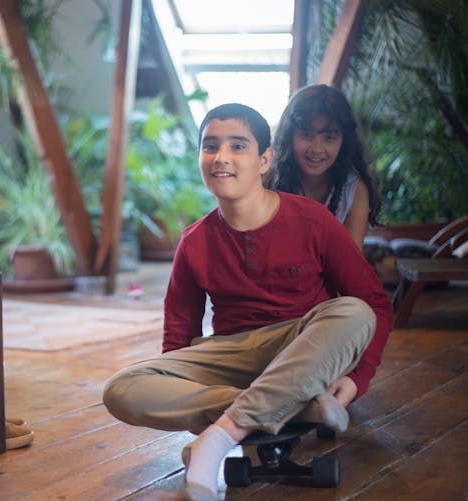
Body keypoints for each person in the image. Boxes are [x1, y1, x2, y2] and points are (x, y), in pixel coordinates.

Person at [102, 103, 392, 500]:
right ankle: (296, 405)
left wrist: (356, 381)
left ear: (264, 160)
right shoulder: (194, 241)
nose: (221, 157)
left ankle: (218, 439)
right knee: (122, 388)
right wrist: (179, 381)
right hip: (232, 354)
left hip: (300, 346)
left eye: (238, 146)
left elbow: (375, 303)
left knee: (353, 312)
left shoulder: (312, 220)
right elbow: (178, 337)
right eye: (210, 146)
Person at [267, 84, 380, 250]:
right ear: (289, 136)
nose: (316, 149)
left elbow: (350, 264)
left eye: (329, 137)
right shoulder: (267, 179)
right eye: (306, 135)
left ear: (344, 141)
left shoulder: (354, 190)